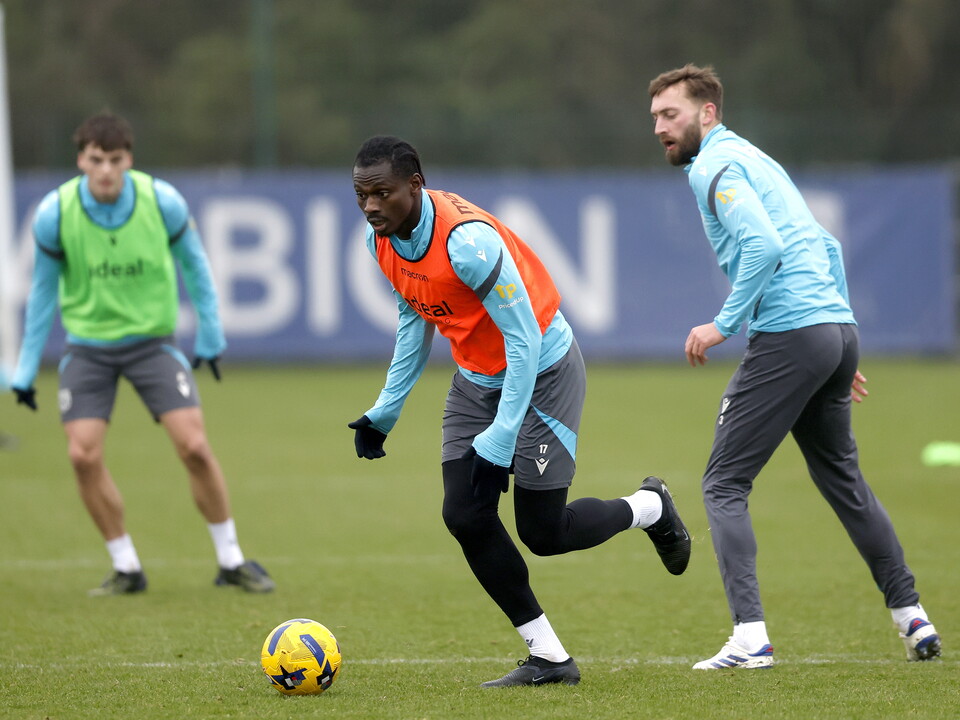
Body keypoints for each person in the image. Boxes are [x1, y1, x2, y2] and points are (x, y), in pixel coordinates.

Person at [349, 135, 691, 687]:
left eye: (381, 193)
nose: (369, 206)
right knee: (463, 515)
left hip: (545, 371)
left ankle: (650, 506)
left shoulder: (468, 243)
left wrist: (503, 435)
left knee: (544, 533)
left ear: (415, 185)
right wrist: (385, 409)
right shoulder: (381, 241)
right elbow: (416, 319)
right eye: (361, 194)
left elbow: (525, 339)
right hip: (476, 380)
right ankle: (550, 658)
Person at [648, 64, 941, 668]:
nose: (659, 127)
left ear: (707, 113)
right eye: (654, 117)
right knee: (845, 483)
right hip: (833, 330)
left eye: (670, 115)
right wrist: (837, 335)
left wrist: (723, 323)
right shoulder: (757, 159)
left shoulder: (714, 167)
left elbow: (766, 245)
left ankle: (750, 638)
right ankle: (913, 617)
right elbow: (825, 246)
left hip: (792, 335)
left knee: (723, 484)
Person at [10, 112, 274, 595]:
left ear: (128, 159)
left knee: (194, 446)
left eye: (114, 159)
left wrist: (210, 335)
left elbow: (195, 264)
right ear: (81, 160)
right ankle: (126, 566)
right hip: (87, 350)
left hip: (153, 344)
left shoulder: (161, 200)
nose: (106, 169)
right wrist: (27, 368)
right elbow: (43, 295)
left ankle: (231, 559)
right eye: (96, 160)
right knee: (82, 456)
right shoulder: (55, 212)